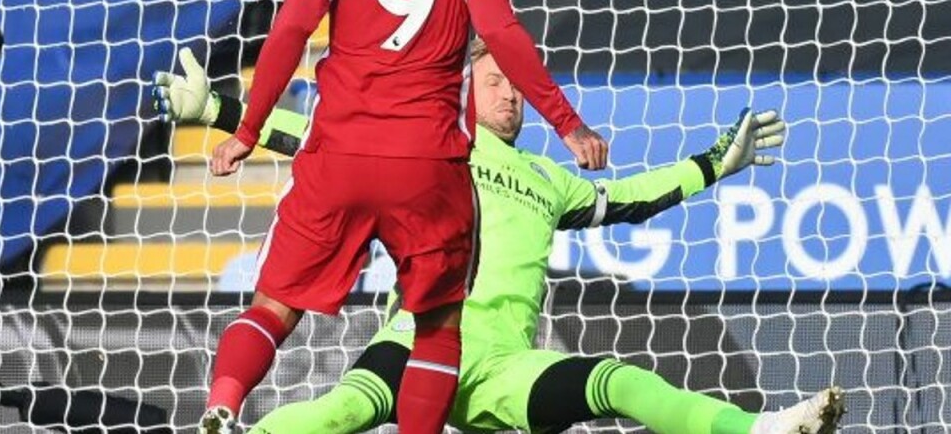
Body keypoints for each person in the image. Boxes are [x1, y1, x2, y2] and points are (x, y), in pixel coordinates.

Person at [153, 40, 844, 434]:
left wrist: (713, 165)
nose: (510, 95)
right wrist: (217, 109)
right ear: (464, 89)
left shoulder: (548, 178)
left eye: (518, 86)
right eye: (494, 81)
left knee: (616, 381)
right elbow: (318, 138)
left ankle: (759, 431)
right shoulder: (429, 141)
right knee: (344, 410)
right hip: (421, 338)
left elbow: (632, 198)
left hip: (502, 367)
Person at [200, 0, 609, 431]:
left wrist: (248, 129)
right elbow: (498, 30)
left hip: (338, 154)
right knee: (439, 327)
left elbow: (293, 28)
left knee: (272, 307)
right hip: (427, 163)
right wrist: (566, 122)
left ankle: (222, 406)